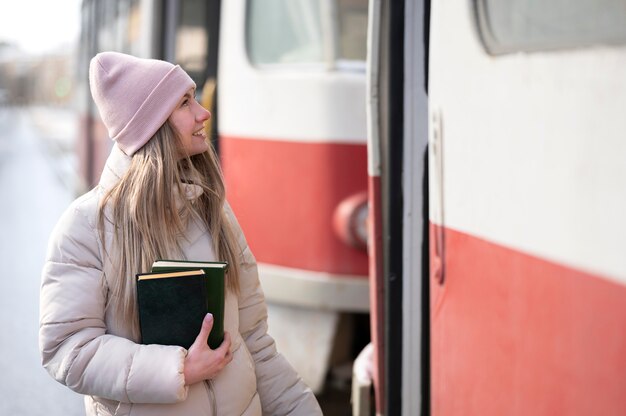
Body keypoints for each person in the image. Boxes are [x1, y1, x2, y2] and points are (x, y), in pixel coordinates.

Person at [39, 51, 322, 416]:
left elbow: (254, 343)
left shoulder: (213, 212)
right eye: (185, 102)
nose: (203, 112)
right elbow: (67, 348)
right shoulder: (85, 227)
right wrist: (179, 369)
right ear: (152, 124)